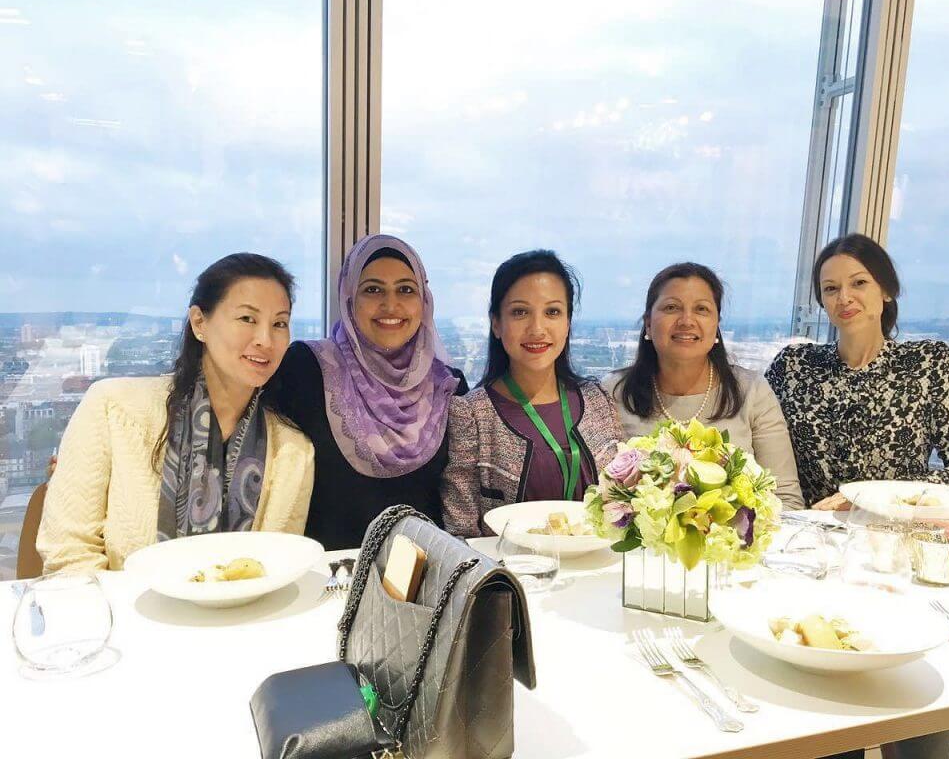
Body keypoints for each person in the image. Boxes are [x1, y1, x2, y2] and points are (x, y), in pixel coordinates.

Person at [38, 254, 315, 573]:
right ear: (200, 323)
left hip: (243, 621)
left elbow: (276, 567)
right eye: (247, 319)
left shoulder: (294, 452)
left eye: (279, 323)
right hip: (125, 617)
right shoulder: (114, 408)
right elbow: (69, 553)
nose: (265, 340)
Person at [766, 232, 949, 512]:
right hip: (806, 534)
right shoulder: (793, 365)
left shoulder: (929, 363)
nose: (844, 297)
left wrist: (868, 498)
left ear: (886, 290)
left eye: (859, 283)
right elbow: (749, 438)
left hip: (893, 535)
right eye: (830, 289)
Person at [275, 235, 467, 549]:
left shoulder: (448, 386)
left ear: (424, 301)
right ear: (349, 299)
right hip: (332, 582)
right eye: (372, 290)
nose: (390, 305)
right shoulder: (305, 369)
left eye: (406, 289)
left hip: (425, 583)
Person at [441, 250, 621, 537]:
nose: (537, 329)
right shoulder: (471, 414)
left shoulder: (599, 400)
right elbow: (460, 531)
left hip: (596, 575)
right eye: (520, 312)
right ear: (496, 324)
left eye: (552, 312)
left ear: (568, 323)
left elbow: (621, 505)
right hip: (511, 576)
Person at [603, 262, 803, 510]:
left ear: (716, 325)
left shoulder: (753, 391)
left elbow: (785, 499)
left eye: (701, 309)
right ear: (648, 324)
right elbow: (600, 496)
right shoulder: (612, 392)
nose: (686, 320)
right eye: (671, 307)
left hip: (738, 546)